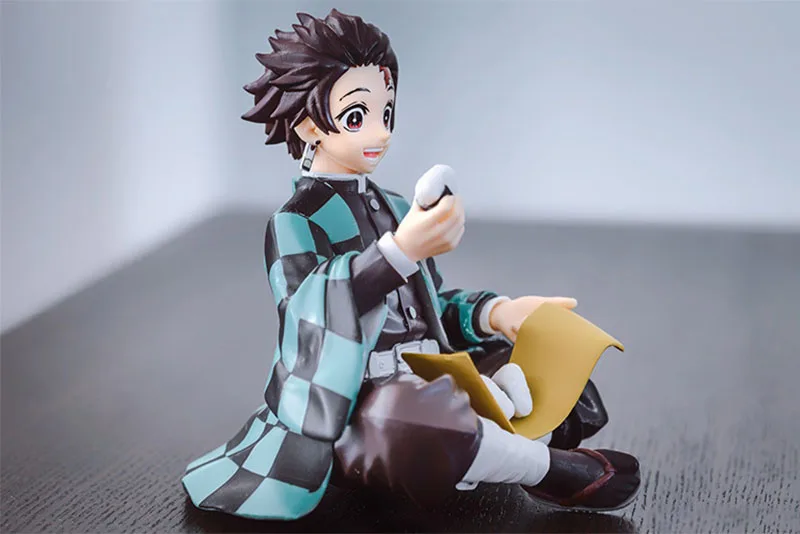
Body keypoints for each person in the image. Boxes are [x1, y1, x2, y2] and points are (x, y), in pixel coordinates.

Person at [181, 9, 640, 520]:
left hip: (433, 372)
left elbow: (430, 307)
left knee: (548, 375)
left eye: (387, 112)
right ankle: (545, 468)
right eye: (357, 117)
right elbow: (310, 313)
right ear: (309, 125)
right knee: (413, 420)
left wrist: (496, 312)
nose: (380, 133)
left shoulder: (397, 206)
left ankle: (491, 443)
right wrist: (399, 252)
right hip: (357, 401)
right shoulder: (295, 221)